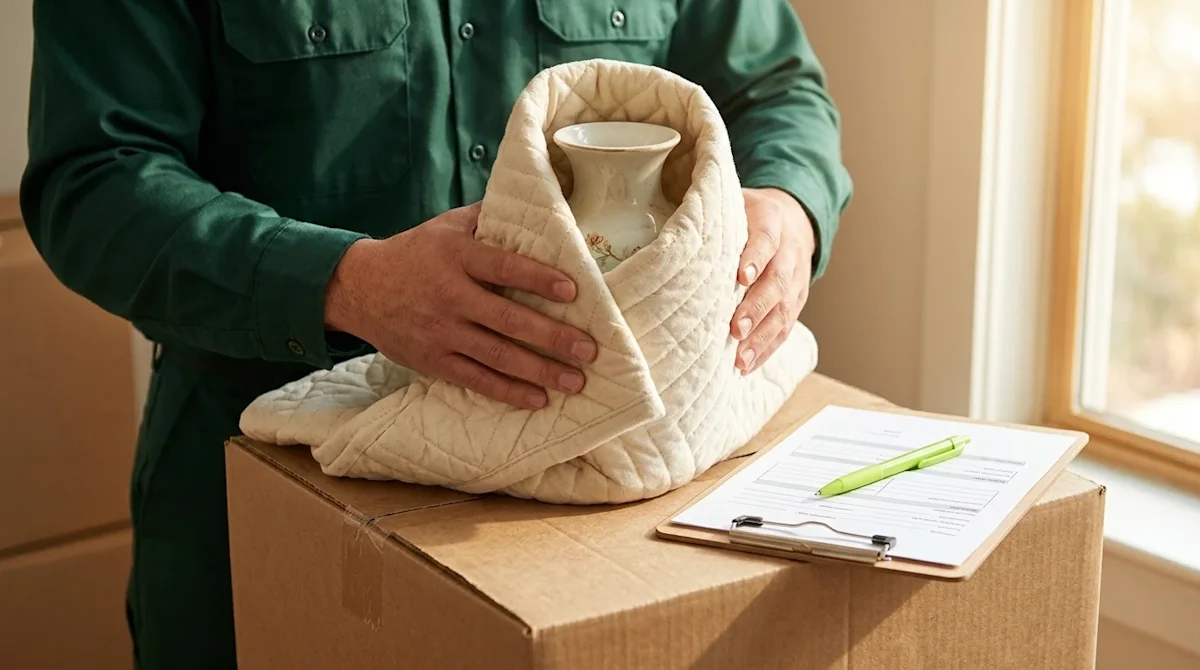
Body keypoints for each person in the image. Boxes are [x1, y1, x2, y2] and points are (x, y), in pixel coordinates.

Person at [21, 1, 852, 668]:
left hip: (600, 506)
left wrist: (788, 202)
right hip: (263, 486)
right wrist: (344, 283)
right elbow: (95, 179)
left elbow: (776, 91)